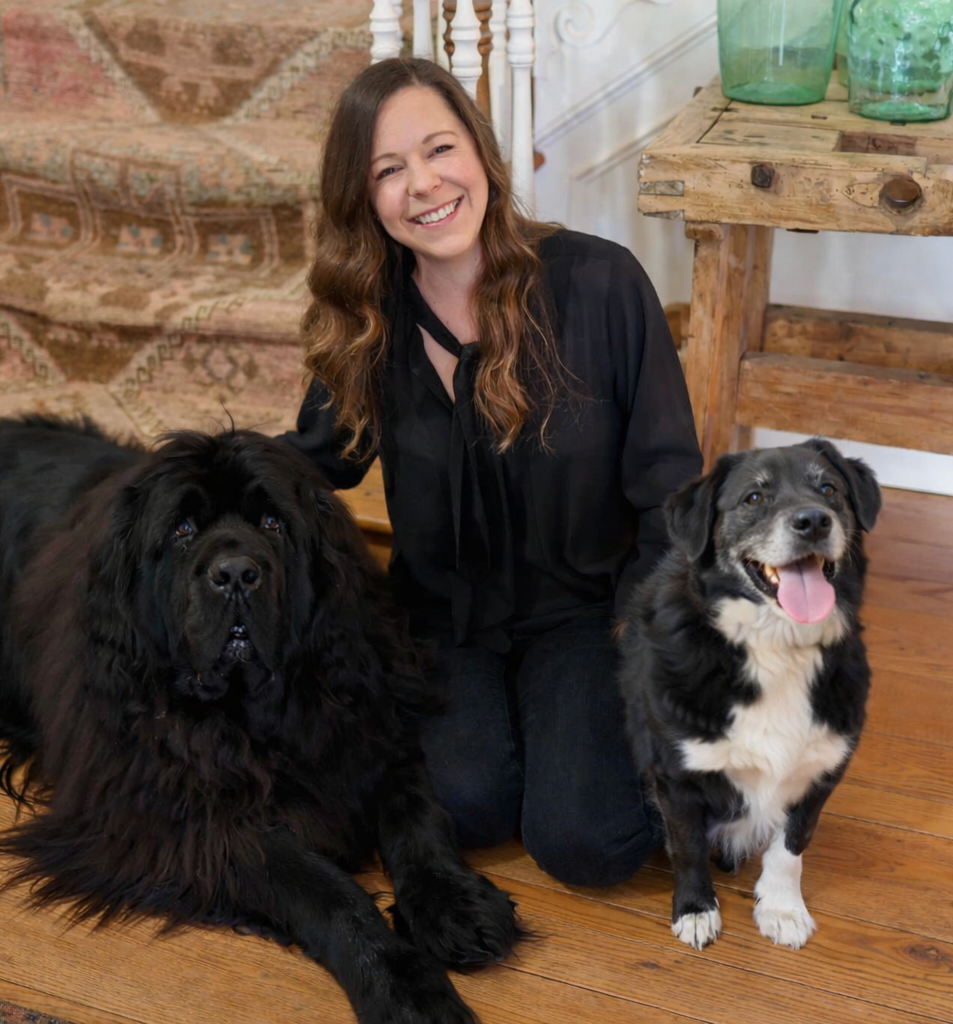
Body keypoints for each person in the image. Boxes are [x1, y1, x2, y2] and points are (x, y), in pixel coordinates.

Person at [281, 57, 702, 887]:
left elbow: (670, 489)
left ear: (481, 152)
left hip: (588, 612)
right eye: (388, 170)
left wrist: (648, 638)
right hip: (444, 618)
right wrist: (179, 487)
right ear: (362, 198)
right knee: (461, 807)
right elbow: (315, 459)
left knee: (583, 842)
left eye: (440, 149)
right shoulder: (368, 320)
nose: (424, 184)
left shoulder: (602, 283)